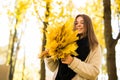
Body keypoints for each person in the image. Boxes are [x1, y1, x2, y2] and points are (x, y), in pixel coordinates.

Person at [42, 14, 102, 80]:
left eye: (82, 23)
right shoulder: (67, 42)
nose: (79, 25)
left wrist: (72, 62)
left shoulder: (94, 46)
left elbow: (94, 72)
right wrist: (50, 57)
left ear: (88, 25)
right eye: (76, 23)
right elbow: (54, 69)